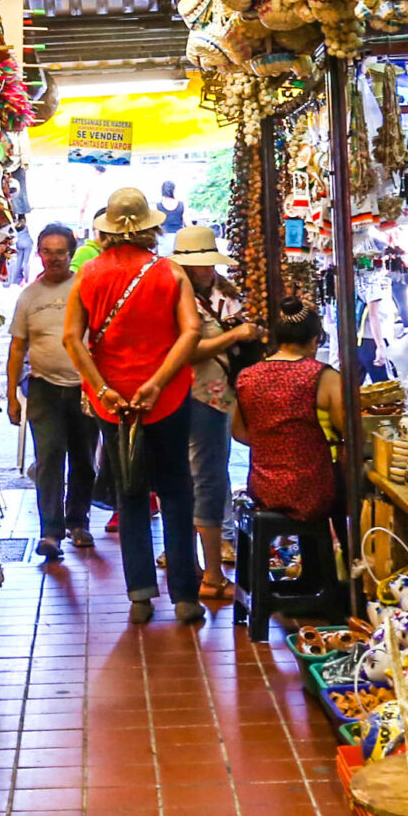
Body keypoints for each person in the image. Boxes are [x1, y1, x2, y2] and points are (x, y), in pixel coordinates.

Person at [64, 185, 203, 623]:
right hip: (167, 395)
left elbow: (71, 337)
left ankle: (140, 594)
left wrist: (102, 388)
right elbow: (191, 331)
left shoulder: (88, 273)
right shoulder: (170, 272)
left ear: (106, 229)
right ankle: (185, 596)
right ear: (149, 227)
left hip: (113, 403)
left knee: (131, 492)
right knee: (176, 490)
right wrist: (157, 383)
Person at [231, 301, 344, 598]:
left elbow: (239, 432)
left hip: (264, 488)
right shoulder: (323, 376)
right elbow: (347, 429)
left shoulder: (248, 376)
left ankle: (301, 577)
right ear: (314, 340)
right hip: (312, 490)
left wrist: (272, 444)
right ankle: (341, 583)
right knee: (347, 492)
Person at [171, 225, 259, 600]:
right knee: (203, 477)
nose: (206, 269)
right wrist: (234, 336)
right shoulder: (175, 299)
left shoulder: (225, 293)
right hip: (192, 394)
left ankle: (197, 560)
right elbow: (186, 351)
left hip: (220, 393)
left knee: (209, 473)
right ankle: (209, 573)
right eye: (200, 263)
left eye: (209, 262)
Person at [6, 224, 98, 556]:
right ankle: (50, 533)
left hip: (85, 388)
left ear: (71, 253)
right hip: (43, 387)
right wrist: (11, 396)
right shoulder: (29, 296)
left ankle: (79, 522)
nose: (54, 258)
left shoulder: (86, 289)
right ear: (39, 253)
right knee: (48, 458)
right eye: (47, 251)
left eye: (60, 252)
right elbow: (17, 347)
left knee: (84, 459)